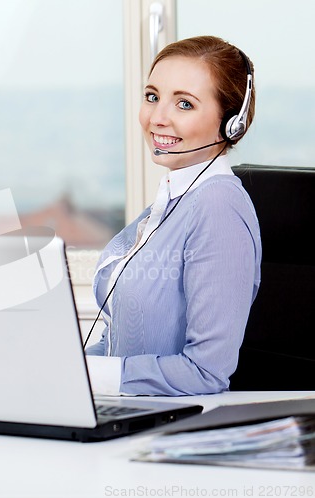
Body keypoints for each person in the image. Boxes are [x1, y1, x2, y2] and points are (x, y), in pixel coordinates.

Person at [85, 36, 262, 396]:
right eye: (152, 97)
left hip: (172, 428)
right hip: (130, 411)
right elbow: (123, 337)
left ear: (231, 123)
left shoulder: (218, 207)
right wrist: (64, 372)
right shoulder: (171, 201)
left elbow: (206, 372)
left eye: (184, 104)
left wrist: (89, 377)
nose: (157, 117)